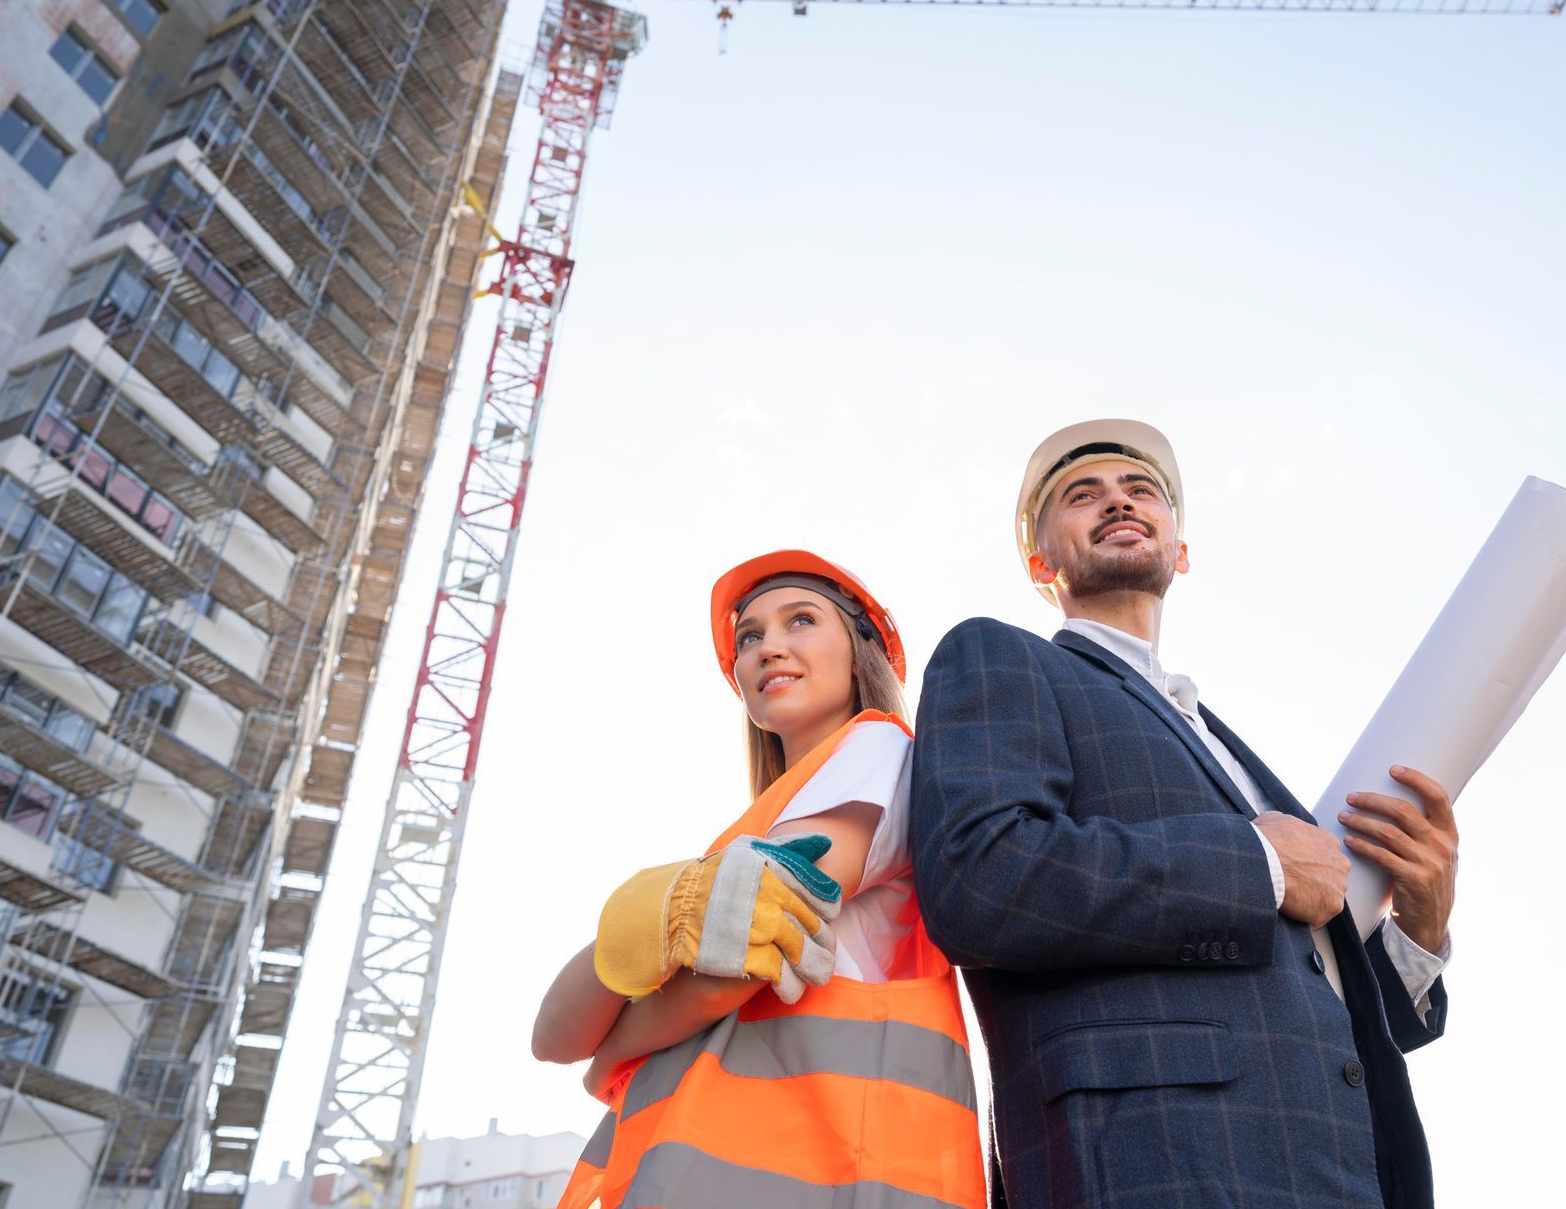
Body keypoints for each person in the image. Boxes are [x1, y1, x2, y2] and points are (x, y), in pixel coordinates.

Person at [909, 420, 1462, 1209]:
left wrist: (1420, 932)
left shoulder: (1230, 749)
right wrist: (1258, 866)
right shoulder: (1001, 657)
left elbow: (1322, 1007)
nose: (1117, 502)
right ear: (1042, 564)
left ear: (1182, 549)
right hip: (1150, 1163)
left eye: (1141, 492)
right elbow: (983, 878)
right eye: (1082, 496)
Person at [535, 551, 985, 1209]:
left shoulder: (876, 748)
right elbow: (552, 1038)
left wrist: (613, 1053)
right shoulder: (755, 828)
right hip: (724, 1172)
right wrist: (646, 922)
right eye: (750, 637)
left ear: (864, 653)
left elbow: (742, 953)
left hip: (814, 1169)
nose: (769, 646)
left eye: (801, 620)